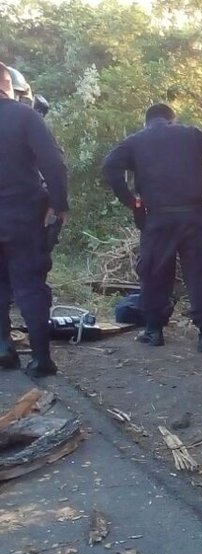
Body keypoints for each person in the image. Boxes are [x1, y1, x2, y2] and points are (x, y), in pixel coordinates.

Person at [101, 103, 202, 352]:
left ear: (146, 122)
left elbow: (110, 166)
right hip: (193, 215)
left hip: (157, 218)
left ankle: (153, 331)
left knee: (154, 272)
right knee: (198, 274)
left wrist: (131, 201)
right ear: (172, 120)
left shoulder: (135, 141)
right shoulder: (190, 134)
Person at [0, 62, 68, 378]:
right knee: (28, 285)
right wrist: (60, 204)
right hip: (21, 217)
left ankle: (3, 348)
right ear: (9, 86)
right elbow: (52, 162)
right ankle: (41, 358)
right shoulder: (24, 116)